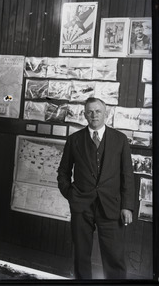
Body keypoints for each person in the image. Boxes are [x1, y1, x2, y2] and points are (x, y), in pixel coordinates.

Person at [57, 97, 135, 279]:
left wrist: (127, 206)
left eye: (98, 111)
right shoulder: (74, 140)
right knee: (81, 255)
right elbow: (63, 172)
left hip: (112, 207)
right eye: (90, 112)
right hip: (81, 206)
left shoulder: (120, 140)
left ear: (106, 113)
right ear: (84, 115)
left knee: (114, 257)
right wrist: (71, 194)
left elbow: (127, 176)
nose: (94, 115)